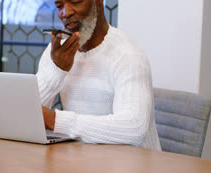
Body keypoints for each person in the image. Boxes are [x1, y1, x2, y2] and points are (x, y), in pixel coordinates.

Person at [38, 0, 161, 150]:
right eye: (59, 6)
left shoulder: (128, 55)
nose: (66, 12)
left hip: (131, 167)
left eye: (75, 1)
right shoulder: (57, 52)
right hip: (82, 161)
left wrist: (56, 120)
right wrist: (57, 70)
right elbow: (29, 114)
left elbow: (135, 127)